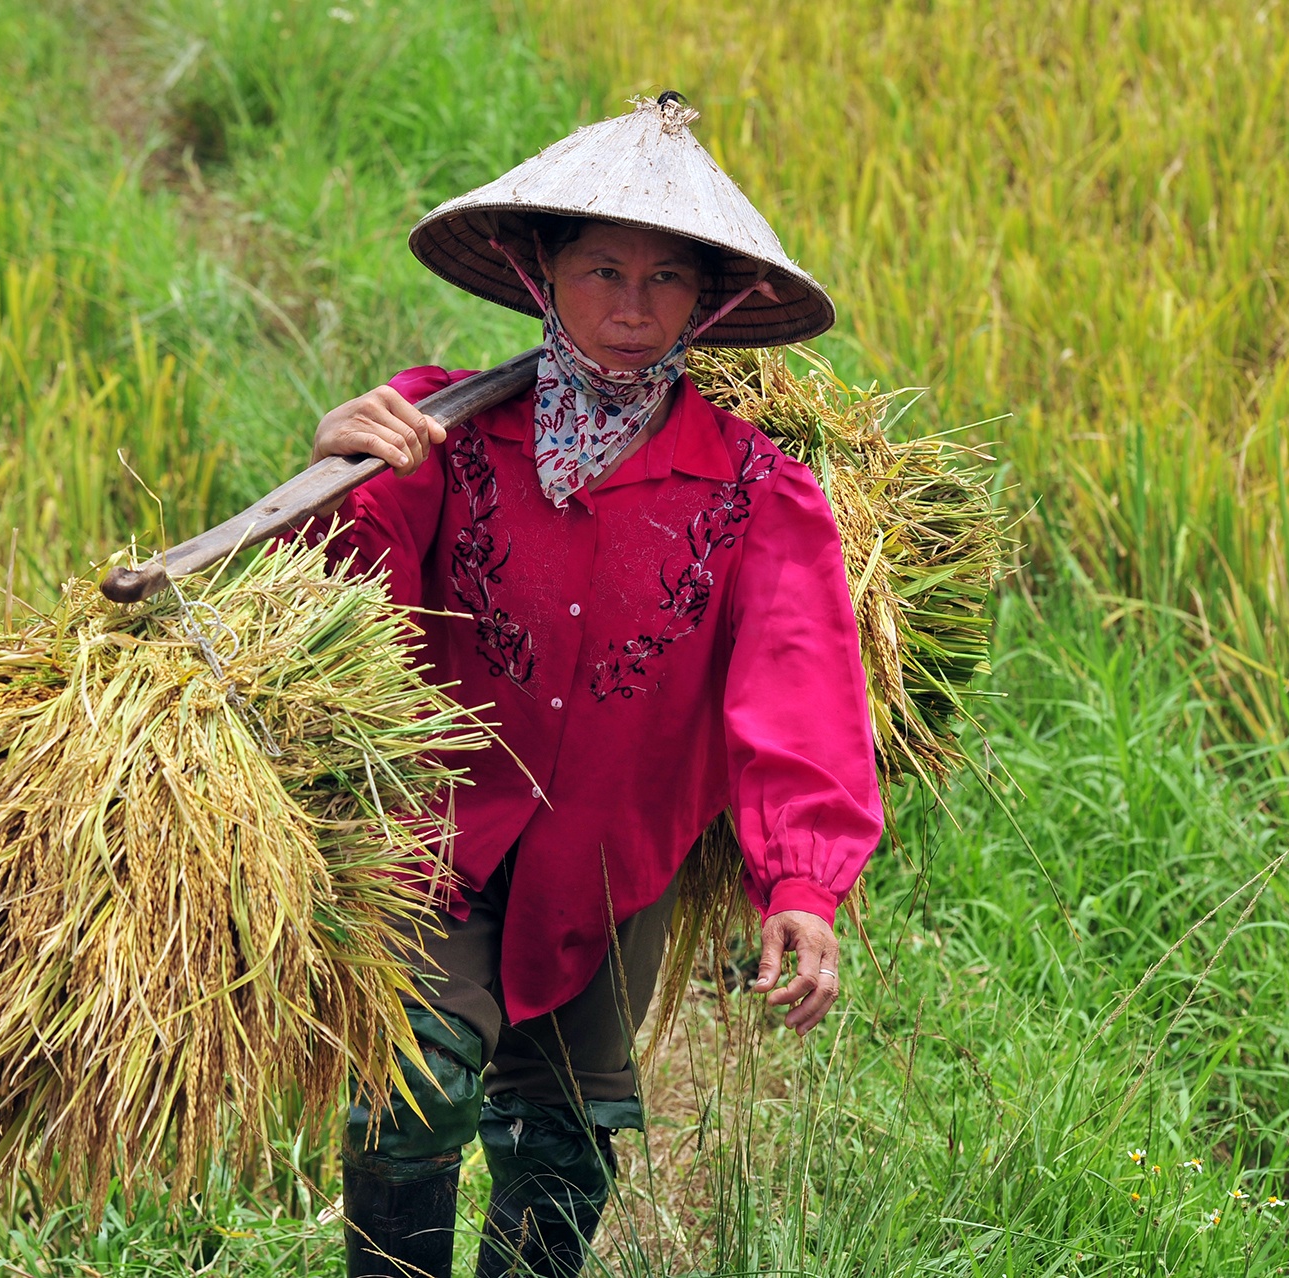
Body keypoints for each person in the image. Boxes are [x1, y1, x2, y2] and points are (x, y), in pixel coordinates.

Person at [308, 93, 883, 1278]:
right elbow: (344, 606)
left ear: (708, 305)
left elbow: (798, 683)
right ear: (541, 275)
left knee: (567, 1136)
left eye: (666, 281)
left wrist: (803, 882)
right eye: (602, 271)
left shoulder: (753, 493)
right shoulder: (444, 433)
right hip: (441, 832)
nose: (632, 310)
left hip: (613, 857)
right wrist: (333, 470)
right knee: (411, 1080)